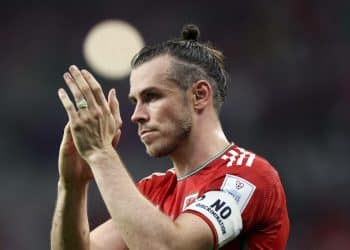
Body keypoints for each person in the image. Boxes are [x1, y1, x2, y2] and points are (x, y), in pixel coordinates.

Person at [50, 24, 289, 250]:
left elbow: (167, 247)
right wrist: (72, 186)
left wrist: (101, 153)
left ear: (199, 95)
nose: (136, 115)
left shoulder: (249, 177)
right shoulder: (153, 190)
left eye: (152, 97)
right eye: (135, 102)